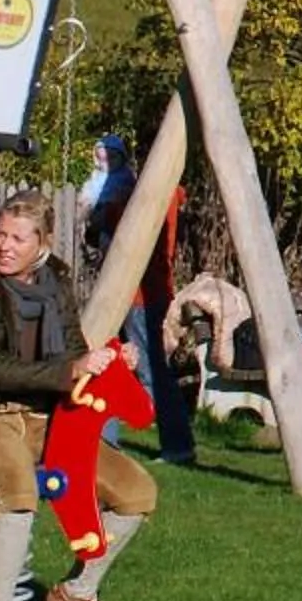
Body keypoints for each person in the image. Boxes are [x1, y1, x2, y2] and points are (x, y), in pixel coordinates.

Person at [0, 190, 158, 601]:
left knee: (137, 491)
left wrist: (108, 360)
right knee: (17, 487)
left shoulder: (54, 280)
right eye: (0, 234)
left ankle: (76, 594)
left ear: (41, 243)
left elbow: (74, 350)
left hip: (46, 417)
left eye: (17, 239)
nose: (4, 246)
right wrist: (68, 372)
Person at [79, 133, 196, 465]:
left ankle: (176, 444)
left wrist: (103, 213)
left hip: (140, 294)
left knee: (149, 369)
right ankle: (106, 440)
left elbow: (118, 223)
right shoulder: (152, 194)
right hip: (136, 292)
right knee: (113, 362)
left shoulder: (152, 197)